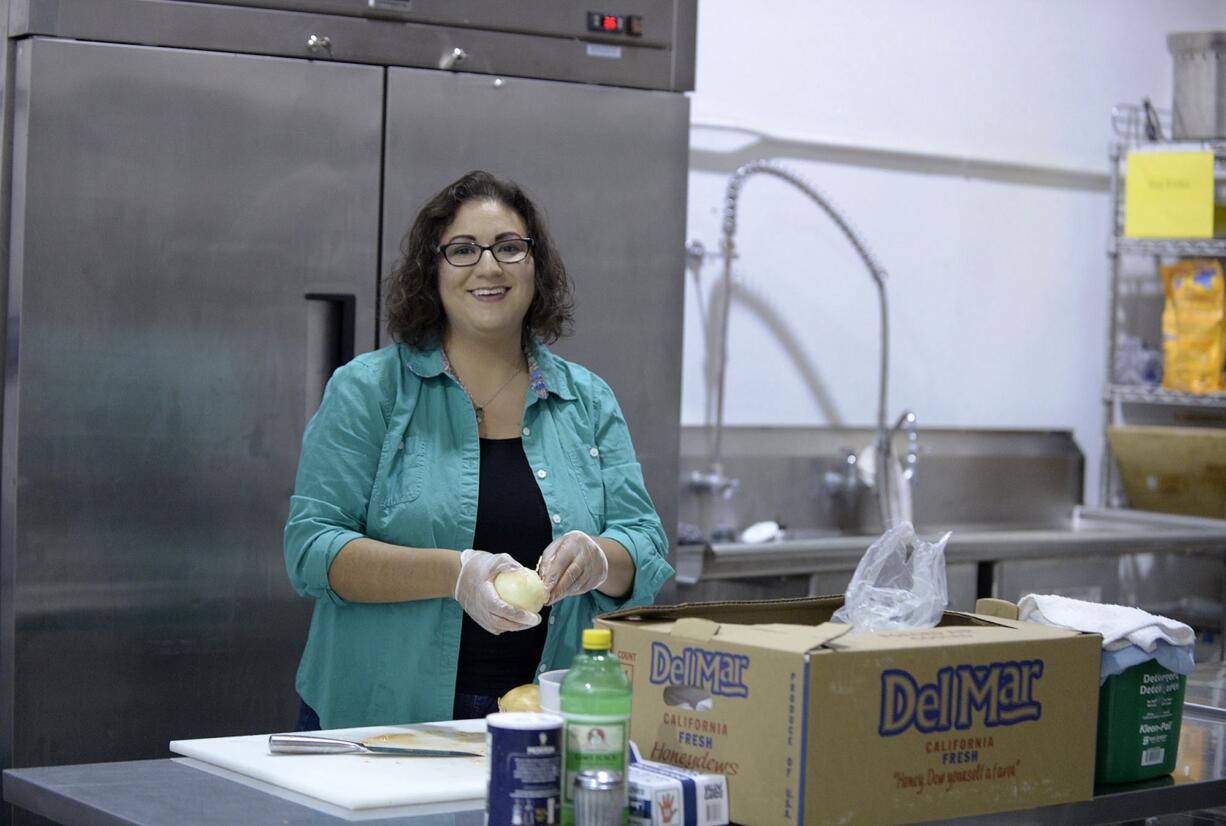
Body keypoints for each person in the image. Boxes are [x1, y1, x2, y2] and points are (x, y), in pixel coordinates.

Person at [284, 170, 673, 729]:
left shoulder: (585, 399)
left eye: (510, 248)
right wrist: (454, 573)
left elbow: (644, 540)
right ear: (432, 270)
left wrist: (598, 557)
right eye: (463, 250)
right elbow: (311, 548)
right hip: (382, 718)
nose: (489, 267)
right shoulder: (369, 390)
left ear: (536, 265)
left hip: (547, 715)